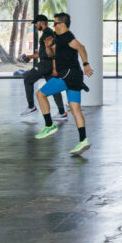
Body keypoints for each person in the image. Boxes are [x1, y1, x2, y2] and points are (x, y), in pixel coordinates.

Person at [33, 13, 95, 156]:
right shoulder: (58, 38)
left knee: (40, 94)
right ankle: (83, 140)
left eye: (55, 23)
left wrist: (86, 64)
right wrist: (48, 46)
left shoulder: (67, 36)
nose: (53, 26)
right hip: (75, 77)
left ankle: (49, 125)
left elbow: (81, 47)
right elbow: (52, 55)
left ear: (62, 24)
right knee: (75, 109)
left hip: (67, 75)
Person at [18, 14, 66, 120]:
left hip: (46, 64)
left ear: (41, 23)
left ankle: (31, 106)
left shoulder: (47, 34)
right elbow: (42, 53)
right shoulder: (49, 33)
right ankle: (62, 112)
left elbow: (51, 52)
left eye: (36, 23)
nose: (35, 26)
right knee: (53, 87)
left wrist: (53, 67)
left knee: (27, 80)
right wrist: (30, 56)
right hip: (48, 64)